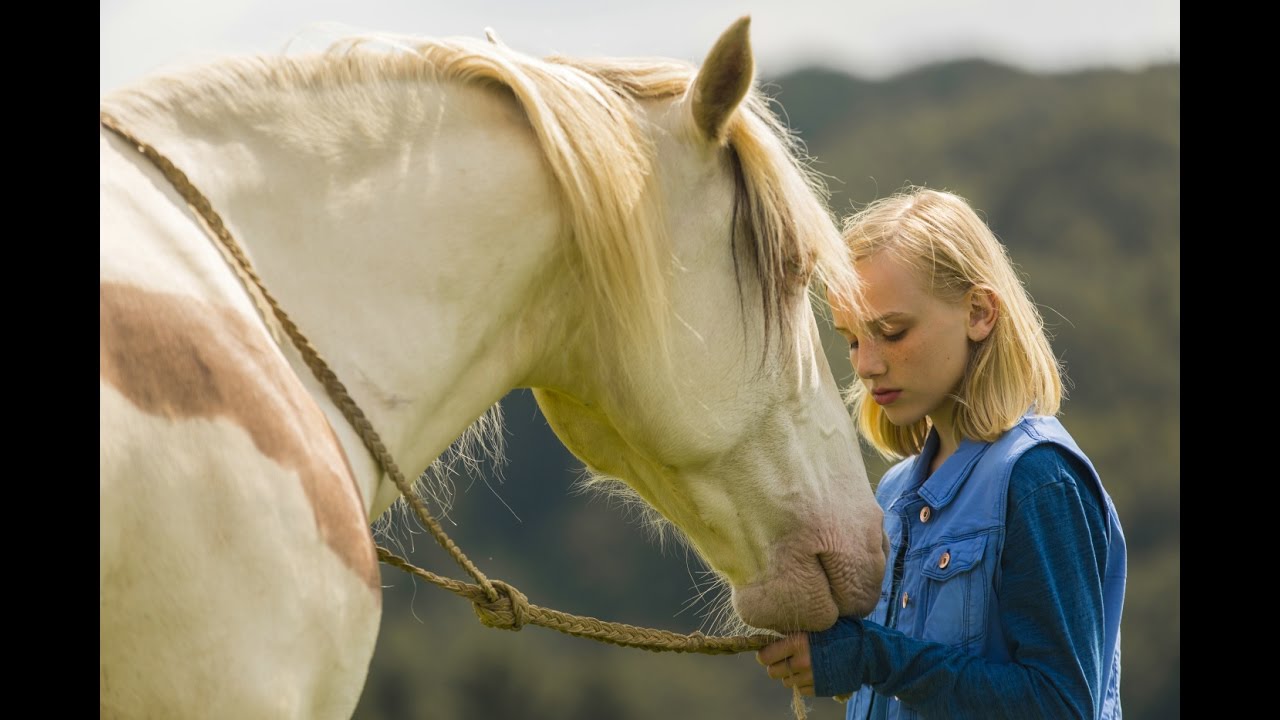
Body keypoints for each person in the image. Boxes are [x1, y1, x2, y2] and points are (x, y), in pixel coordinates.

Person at [757, 187, 1126, 719]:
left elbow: (1062, 705)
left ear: (979, 312)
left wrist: (873, 657)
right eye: (853, 340)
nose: (866, 365)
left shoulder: (1039, 479)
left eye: (891, 331)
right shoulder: (893, 490)